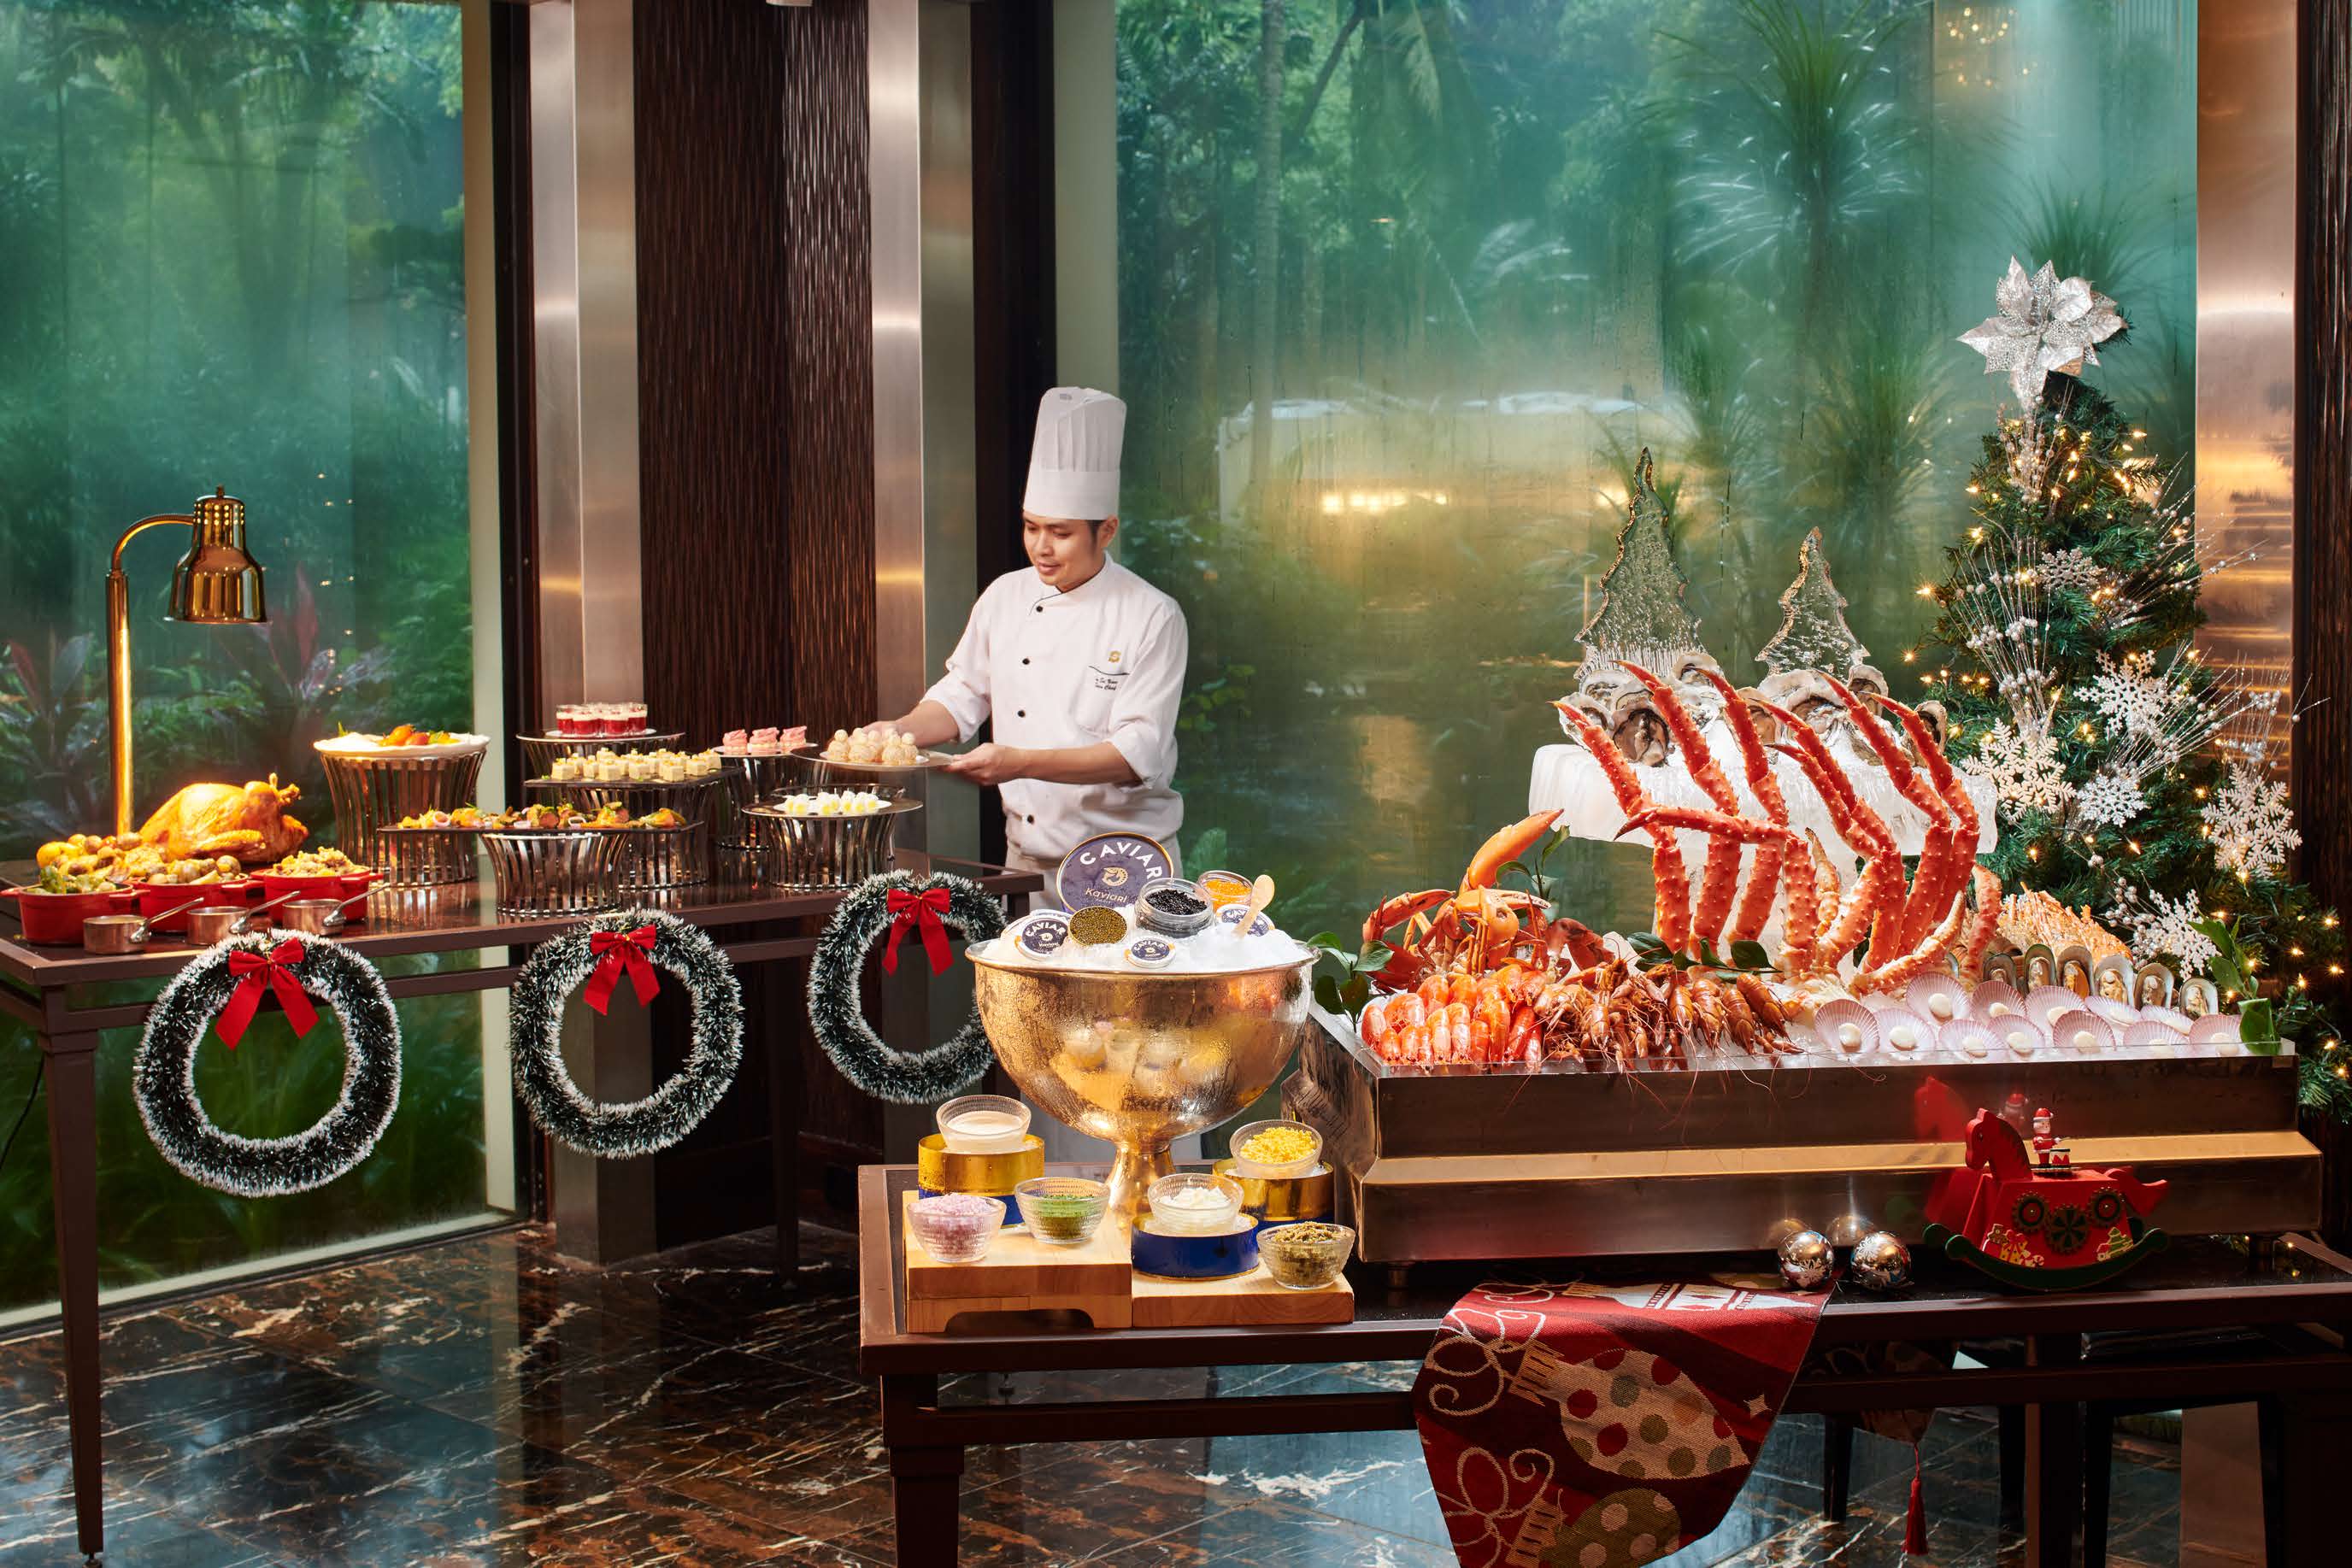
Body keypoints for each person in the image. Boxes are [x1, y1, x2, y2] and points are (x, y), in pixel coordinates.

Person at [879, 387, 1188, 900]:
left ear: (1106, 530)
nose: (1041, 548)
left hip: (1123, 865)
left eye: (1061, 533)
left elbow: (1136, 753)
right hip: (1025, 862)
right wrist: (899, 732)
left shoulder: (1152, 615)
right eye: (1031, 528)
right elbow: (963, 694)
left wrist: (1018, 762)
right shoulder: (1006, 595)